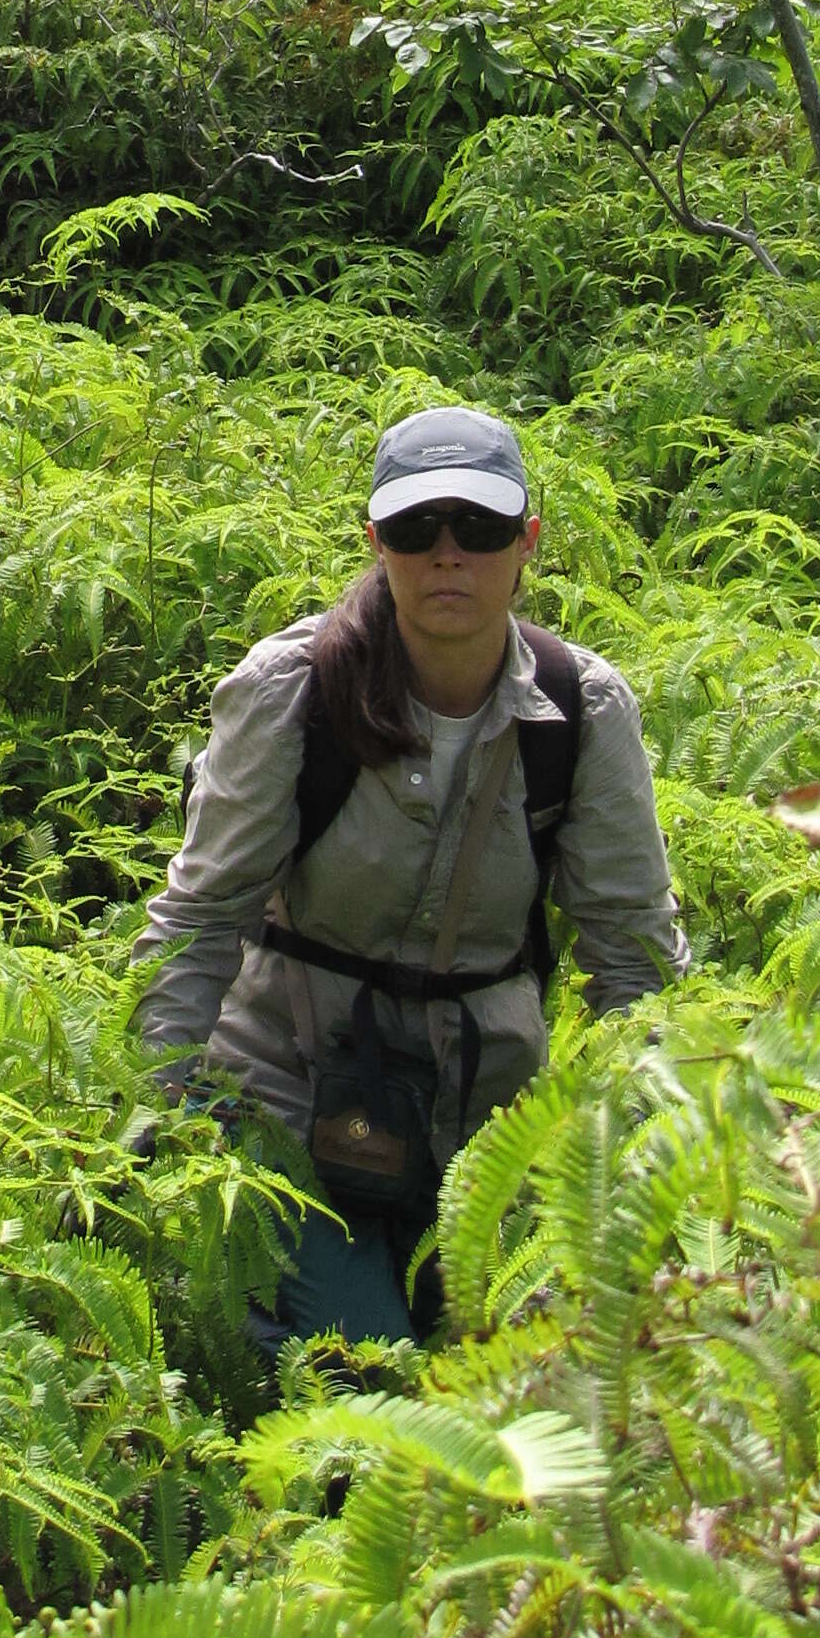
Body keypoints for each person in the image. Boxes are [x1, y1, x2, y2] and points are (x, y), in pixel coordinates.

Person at [138, 405, 685, 1346]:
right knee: (372, 1363)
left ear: (528, 544)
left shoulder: (583, 711)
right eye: (414, 530)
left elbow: (634, 953)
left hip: (486, 1124)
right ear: (374, 542)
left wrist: (662, 1151)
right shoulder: (291, 692)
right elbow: (201, 917)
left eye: (479, 530)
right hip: (285, 1094)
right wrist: (163, 1110)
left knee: (504, 1373)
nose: (447, 556)